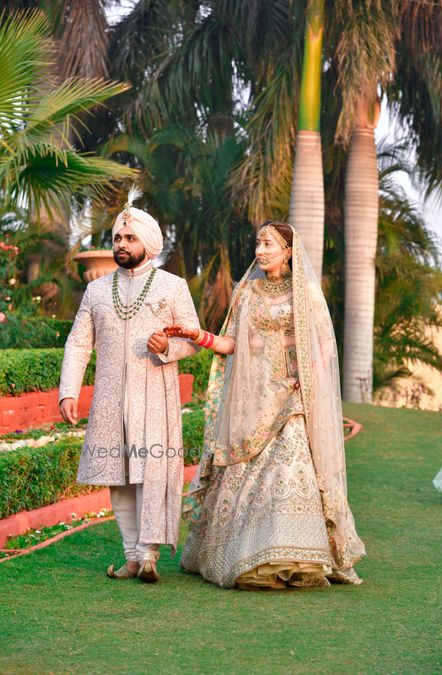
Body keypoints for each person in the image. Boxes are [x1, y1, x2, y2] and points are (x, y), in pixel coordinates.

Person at [165, 221, 366, 589]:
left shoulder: (305, 293)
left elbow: (322, 350)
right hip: (253, 400)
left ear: (288, 251)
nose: (260, 250)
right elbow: (230, 345)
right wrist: (198, 335)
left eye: (269, 243)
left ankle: (295, 555)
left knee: (291, 469)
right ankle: (246, 553)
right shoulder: (248, 291)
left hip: (292, 397)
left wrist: (310, 389)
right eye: (258, 243)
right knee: (246, 476)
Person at [58, 188, 200, 583]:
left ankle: (148, 555)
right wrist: (68, 391)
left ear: (149, 245)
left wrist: (168, 346)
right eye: (118, 238)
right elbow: (79, 342)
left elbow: (193, 339)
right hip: (108, 397)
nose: (121, 244)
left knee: (150, 472)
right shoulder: (97, 290)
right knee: (117, 474)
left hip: (154, 393)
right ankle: (131, 557)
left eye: (130, 238)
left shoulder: (173, 286)